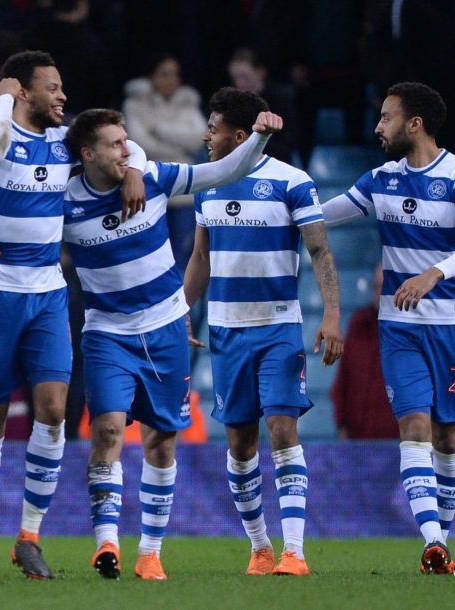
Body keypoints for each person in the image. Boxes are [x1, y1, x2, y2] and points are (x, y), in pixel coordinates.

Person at [62, 107, 281, 580]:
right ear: (87, 154)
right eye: (115, 144)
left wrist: (259, 138)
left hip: (165, 327)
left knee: (161, 441)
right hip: (106, 333)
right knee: (107, 433)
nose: (126, 148)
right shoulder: (62, 202)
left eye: (127, 141)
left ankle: (150, 553)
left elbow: (224, 170)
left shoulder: (155, 177)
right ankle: (106, 545)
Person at [0, 49, 148, 580]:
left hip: (47, 292)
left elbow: (121, 142)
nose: (62, 96)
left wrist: (132, 167)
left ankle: (28, 536)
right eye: (52, 87)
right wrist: (0, 101)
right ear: (21, 92)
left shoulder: (61, 144)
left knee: (54, 410)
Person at [321, 82, 455, 575]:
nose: (378, 127)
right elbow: (325, 213)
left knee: (450, 435)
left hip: (454, 323)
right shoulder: (381, 180)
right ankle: (433, 541)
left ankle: (443, 534)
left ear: (413, 124)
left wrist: (434, 272)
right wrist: (276, 210)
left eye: (386, 118)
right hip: (399, 326)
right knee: (414, 427)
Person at [183, 87, 343, 578]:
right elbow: (201, 256)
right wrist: (180, 311)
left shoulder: (291, 182)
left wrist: (332, 315)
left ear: (238, 135)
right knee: (239, 442)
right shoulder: (207, 185)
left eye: (213, 128)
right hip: (227, 331)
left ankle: (294, 551)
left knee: (282, 428)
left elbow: (319, 251)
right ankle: (260, 547)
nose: (206, 136)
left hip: (278, 327)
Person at [330, 264, 398, 440]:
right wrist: (341, 424)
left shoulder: (412, 332)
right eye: (377, 287)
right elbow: (342, 380)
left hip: (398, 442)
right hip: (358, 443)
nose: (380, 293)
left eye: (386, 287)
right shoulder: (358, 323)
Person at [121, 54, 207, 164]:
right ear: (151, 76)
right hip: (148, 169)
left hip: (185, 168)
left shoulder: (187, 101)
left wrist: (159, 130)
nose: (171, 80)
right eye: (164, 74)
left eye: (175, 74)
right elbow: (140, 143)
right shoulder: (135, 103)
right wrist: (181, 149)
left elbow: (200, 138)